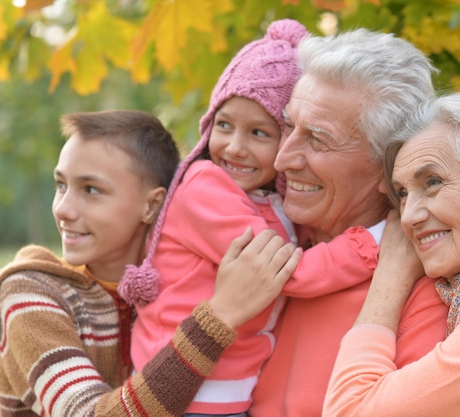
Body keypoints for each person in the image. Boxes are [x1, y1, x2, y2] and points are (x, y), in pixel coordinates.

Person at [120, 20, 381, 416]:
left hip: (229, 393)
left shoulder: (266, 198)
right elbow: (289, 274)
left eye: (259, 133)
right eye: (224, 125)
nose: (235, 148)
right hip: (186, 391)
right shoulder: (205, 190)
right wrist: (373, 242)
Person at [0, 109, 302, 417]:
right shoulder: (31, 294)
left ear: (152, 205)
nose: (63, 209)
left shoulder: (182, 285)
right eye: (61, 185)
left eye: (91, 190)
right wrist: (220, 316)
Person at [248, 28, 450, 417]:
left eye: (319, 140)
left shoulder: (424, 297)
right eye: (288, 127)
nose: (282, 159)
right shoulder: (252, 235)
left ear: (387, 168)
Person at [323, 91, 460, 417]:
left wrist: (390, 276)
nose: (408, 216)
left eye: (433, 182)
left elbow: (350, 410)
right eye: (403, 194)